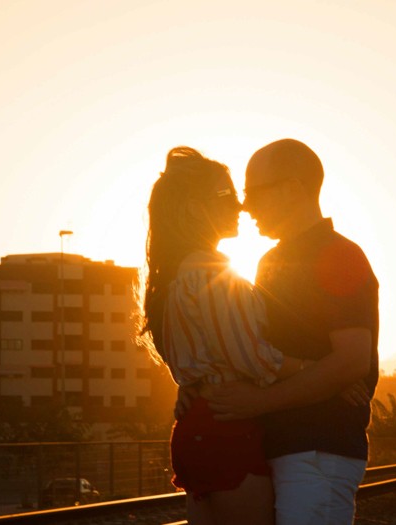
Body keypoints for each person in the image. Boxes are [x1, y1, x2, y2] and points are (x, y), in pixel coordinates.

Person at [204, 139, 380, 525]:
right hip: (284, 448)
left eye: (254, 192)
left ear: (293, 189)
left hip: (318, 451)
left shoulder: (339, 256)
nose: (245, 205)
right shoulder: (270, 262)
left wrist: (259, 402)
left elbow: (352, 359)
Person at [142, 146, 315, 525]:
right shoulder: (211, 274)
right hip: (227, 428)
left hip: (199, 427)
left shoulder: (175, 276)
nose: (239, 205)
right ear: (193, 209)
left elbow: (195, 362)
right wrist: (315, 370)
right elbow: (250, 356)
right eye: (226, 195)